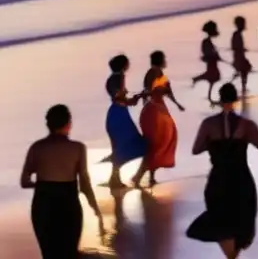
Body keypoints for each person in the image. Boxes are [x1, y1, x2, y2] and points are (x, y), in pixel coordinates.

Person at [186, 84, 258, 258]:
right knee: (240, 225)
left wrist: (213, 144)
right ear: (236, 99)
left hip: (219, 181)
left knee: (221, 224)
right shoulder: (247, 125)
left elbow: (196, 149)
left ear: (220, 99)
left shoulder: (209, 124)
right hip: (241, 180)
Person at [21, 104, 103, 259]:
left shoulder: (36, 148)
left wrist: (44, 185)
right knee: (69, 253)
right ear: (68, 124)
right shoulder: (78, 148)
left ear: (48, 125)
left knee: (49, 254)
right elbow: (84, 184)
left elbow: (24, 182)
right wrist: (95, 208)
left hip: (43, 206)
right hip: (68, 206)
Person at [132, 50, 183, 188]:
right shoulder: (152, 73)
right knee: (155, 144)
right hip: (153, 111)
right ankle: (140, 176)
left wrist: (177, 104)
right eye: (164, 58)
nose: (166, 60)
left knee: (165, 140)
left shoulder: (161, 75)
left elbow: (168, 93)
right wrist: (153, 96)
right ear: (160, 60)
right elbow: (148, 92)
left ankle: (149, 176)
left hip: (160, 110)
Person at [103, 54, 146, 189]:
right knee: (135, 144)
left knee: (118, 148)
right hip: (120, 115)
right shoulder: (120, 77)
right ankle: (115, 179)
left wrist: (132, 99)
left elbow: (118, 97)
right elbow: (119, 98)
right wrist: (135, 99)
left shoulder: (111, 78)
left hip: (115, 113)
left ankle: (114, 179)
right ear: (123, 65)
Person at [192, 20, 223, 104]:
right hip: (211, 61)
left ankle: (209, 97)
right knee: (213, 76)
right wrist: (214, 56)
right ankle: (209, 97)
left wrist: (215, 55)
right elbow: (207, 52)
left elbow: (209, 51)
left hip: (212, 61)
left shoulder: (207, 41)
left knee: (212, 76)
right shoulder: (206, 41)